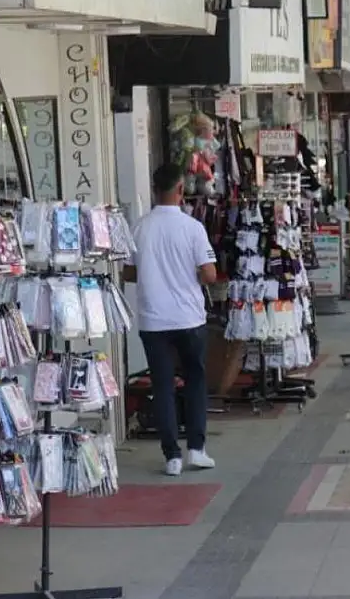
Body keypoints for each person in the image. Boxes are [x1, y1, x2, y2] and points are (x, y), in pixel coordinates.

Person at [123, 163, 219, 477]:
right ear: (180, 190)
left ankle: (171, 457)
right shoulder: (192, 228)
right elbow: (209, 274)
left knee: (162, 385)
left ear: (154, 190)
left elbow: (128, 272)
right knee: (195, 379)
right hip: (189, 317)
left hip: (153, 320)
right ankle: (197, 449)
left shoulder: (139, 227)